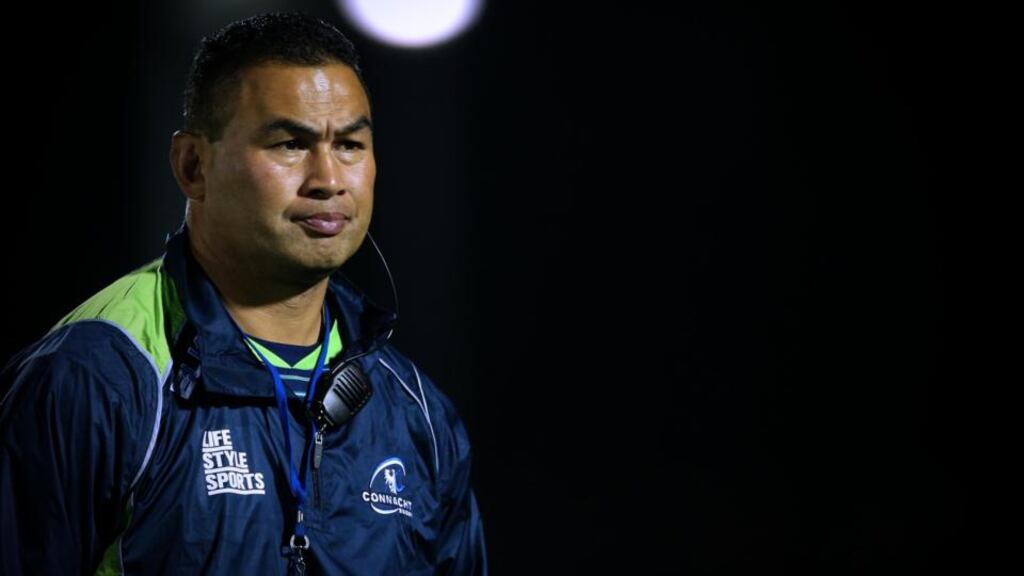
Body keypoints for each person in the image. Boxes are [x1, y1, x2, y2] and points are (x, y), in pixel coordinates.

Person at [0, 12, 486, 575]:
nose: (328, 178)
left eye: (350, 144)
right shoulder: (95, 377)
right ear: (192, 166)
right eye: (289, 144)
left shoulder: (418, 413)